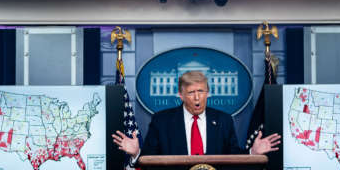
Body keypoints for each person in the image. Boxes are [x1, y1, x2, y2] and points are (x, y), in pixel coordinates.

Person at [112, 70, 281, 158]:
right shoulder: (162, 121)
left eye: (201, 91)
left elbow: (233, 157)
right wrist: (136, 153)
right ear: (181, 94)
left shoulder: (223, 120)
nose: (198, 97)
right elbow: (150, 158)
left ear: (208, 92)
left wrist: (252, 152)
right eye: (192, 92)